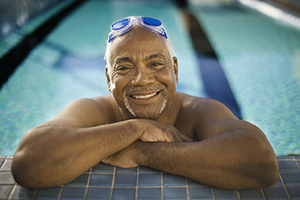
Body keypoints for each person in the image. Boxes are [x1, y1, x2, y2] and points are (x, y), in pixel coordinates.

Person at [11, 16, 279, 189]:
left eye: (155, 64)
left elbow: (261, 162)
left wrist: (142, 153)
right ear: (108, 78)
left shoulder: (197, 111)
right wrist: (134, 129)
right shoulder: (94, 110)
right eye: (124, 68)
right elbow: (28, 162)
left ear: (174, 68)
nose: (142, 79)